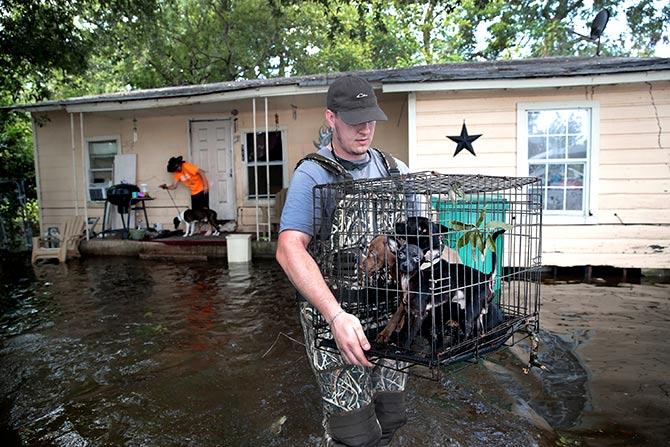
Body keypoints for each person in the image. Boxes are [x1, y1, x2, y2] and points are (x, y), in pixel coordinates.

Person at [276, 75, 410, 447]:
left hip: (389, 317)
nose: (365, 129)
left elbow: (423, 236)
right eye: (354, 121)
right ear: (331, 118)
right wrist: (335, 316)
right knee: (355, 434)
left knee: (392, 417)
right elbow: (289, 249)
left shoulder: (396, 170)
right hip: (336, 319)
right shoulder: (313, 174)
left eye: (370, 119)